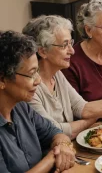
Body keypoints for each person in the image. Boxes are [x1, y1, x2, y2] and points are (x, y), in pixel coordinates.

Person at [0, 31, 75, 173]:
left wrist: (63, 145)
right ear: (2, 80)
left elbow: (56, 133)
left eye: (38, 72)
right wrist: (52, 157)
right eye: (31, 73)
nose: (38, 80)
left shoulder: (22, 108)